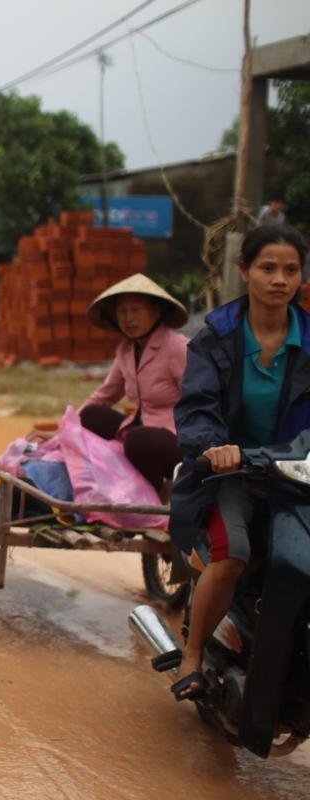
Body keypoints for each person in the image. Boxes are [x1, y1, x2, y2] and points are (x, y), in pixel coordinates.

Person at [170, 222, 310, 701]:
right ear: (245, 270)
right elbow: (196, 408)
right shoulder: (214, 341)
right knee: (233, 557)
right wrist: (215, 447)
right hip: (232, 475)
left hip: (297, 477)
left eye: (291, 270)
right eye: (267, 267)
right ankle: (191, 658)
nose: (279, 279)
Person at [79, 274, 189, 492]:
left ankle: (156, 497)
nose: (129, 319)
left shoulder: (178, 347)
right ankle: (110, 481)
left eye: (136, 310)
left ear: (156, 312)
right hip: (142, 430)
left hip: (181, 441)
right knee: (91, 415)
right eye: (122, 312)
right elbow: (105, 395)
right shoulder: (126, 349)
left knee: (138, 440)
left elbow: (202, 400)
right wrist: (67, 426)